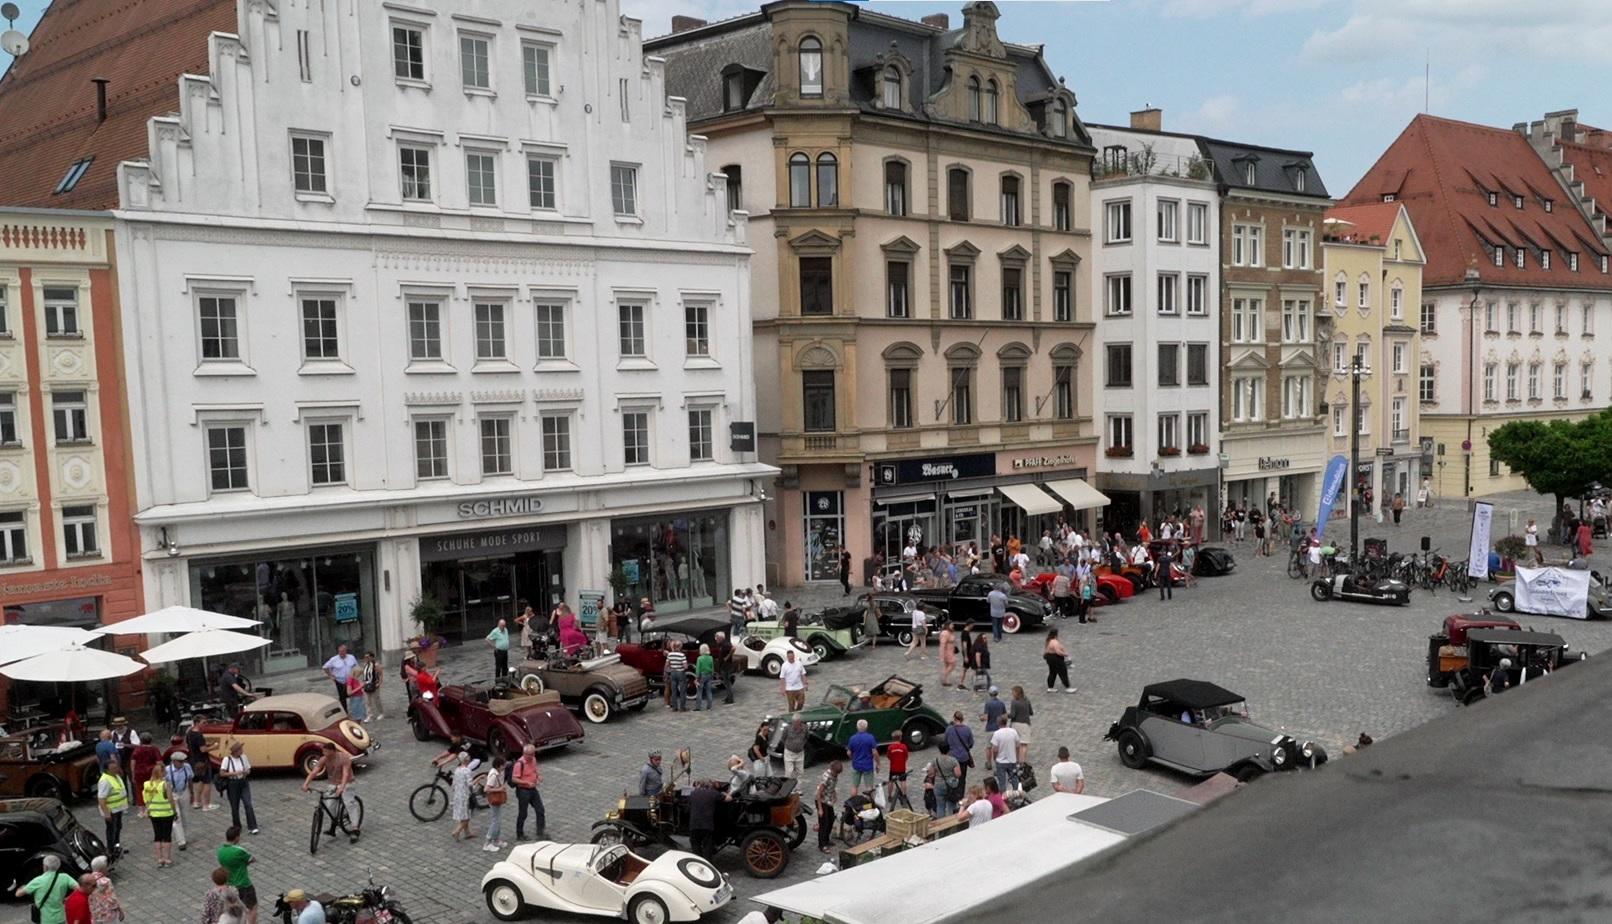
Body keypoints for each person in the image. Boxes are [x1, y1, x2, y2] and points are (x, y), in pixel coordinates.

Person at [301, 743, 359, 843]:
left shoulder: (344, 758)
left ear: (333, 751)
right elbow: (315, 771)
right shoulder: (324, 759)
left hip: (347, 782)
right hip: (333, 783)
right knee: (329, 805)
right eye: (324, 751)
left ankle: (355, 829)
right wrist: (306, 784)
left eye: (326, 751)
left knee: (349, 803)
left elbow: (345, 773)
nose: (324, 753)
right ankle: (335, 821)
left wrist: (342, 787)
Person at [15, 853, 72, 924]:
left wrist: (22, 887)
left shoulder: (38, 880)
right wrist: (68, 898)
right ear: (58, 866)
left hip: (45, 920)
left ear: (45, 867)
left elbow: (18, 894)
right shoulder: (65, 877)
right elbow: (80, 888)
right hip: (60, 918)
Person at [217, 826, 257, 924]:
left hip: (230, 885)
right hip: (243, 884)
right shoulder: (239, 850)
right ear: (236, 837)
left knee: (236, 910)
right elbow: (252, 859)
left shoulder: (220, 851)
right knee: (252, 908)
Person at [217, 741, 259, 834]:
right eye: (240, 749)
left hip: (243, 782)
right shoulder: (227, 759)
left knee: (248, 803)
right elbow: (222, 773)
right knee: (234, 806)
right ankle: (237, 826)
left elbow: (248, 769)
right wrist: (235, 773)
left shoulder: (244, 757)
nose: (242, 751)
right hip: (233, 783)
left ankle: (252, 826)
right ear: (235, 751)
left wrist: (246, 772)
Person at [688, 780, 730, 859]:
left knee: (695, 845)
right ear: (710, 786)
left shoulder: (693, 793)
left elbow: (688, 805)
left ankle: (697, 860)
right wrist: (724, 793)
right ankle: (707, 862)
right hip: (707, 825)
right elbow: (729, 799)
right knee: (707, 845)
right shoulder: (713, 793)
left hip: (694, 824)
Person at [512, 743, 545, 840]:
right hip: (523, 791)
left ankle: (540, 832)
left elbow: (535, 770)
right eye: (530, 755)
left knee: (540, 810)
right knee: (523, 813)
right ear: (524, 753)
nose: (532, 756)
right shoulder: (519, 764)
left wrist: (539, 775)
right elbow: (514, 779)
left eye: (533, 754)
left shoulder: (533, 759)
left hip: (533, 789)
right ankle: (520, 834)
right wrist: (526, 783)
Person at [97, 759, 127, 859]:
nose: (116, 769)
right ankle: (111, 850)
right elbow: (101, 799)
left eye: (116, 767)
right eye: (113, 768)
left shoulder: (115, 776)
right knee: (111, 830)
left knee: (118, 828)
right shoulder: (105, 781)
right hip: (111, 811)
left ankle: (117, 847)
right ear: (107, 770)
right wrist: (107, 813)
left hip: (118, 809)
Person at [164, 751, 192, 851]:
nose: (182, 763)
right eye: (180, 761)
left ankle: (183, 835)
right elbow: (164, 785)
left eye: (183, 761)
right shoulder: (167, 770)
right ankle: (181, 841)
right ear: (173, 761)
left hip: (184, 792)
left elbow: (190, 780)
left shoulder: (187, 767)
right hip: (173, 794)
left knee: (185, 816)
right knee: (176, 817)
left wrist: (192, 794)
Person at [928, 742, 963, 817]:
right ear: (949, 750)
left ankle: (941, 822)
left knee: (940, 806)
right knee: (951, 805)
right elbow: (958, 774)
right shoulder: (953, 760)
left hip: (938, 785)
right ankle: (951, 822)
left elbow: (931, 773)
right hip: (950, 785)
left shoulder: (935, 760)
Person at [845, 719, 879, 796]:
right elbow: (874, 752)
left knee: (854, 786)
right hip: (868, 765)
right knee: (869, 787)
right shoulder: (870, 738)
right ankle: (869, 803)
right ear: (867, 727)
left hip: (856, 765)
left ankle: (853, 802)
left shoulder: (852, 738)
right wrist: (878, 763)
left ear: (857, 727)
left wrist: (853, 759)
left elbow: (849, 752)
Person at [814, 761, 842, 852]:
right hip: (821, 801)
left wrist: (835, 795)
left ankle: (826, 839)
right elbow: (818, 793)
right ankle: (822, 845)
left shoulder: (835, 775)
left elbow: (832, 787)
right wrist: (820, 809)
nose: (837, 775)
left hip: (828, 800)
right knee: (823, 823)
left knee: (831, 820)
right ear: (832, 770)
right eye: (836, 773)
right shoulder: (826, 778)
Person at [483, 754, 509, 852]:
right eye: (503, 765)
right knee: (495, 821)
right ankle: (487, 843)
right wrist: (500, 789)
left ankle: (496, 840)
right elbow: (487, 789)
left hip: (497, 800)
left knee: (498, 820)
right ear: (499, 766)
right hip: (494, 800)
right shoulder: (494, 775)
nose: (505, 766)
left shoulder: (498, 772)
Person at [86, 856, 123, 924]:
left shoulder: (88, 881)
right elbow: (112, 899)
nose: (107, 869)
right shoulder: (106, 881)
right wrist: (120, 910)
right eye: (106, 867)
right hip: (109, 915)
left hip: (96, 915)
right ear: (102, 869)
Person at [128, 734, 161, 807]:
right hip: (152, 772)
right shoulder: (154, 749)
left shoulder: (137, 750)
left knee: (140, 790)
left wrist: (133, 774)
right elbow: (159, 762)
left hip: (139, 772)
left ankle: (142, 809)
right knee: (153, 788)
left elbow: (133, 763)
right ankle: (152, 805)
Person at [323, 644, 358, 710]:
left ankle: (355, 710)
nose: (341, 653)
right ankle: (345, 712)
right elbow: (325, 667)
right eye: (340, 651)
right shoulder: (334, 659)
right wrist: (330, 676)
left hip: (351, 681)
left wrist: (355, 677)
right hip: (340, 681)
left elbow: (356, 667)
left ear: (346, 651)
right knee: (342, 697)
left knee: (353, 695)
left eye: (343, 651)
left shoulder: (351, 657)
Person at [449, 752, 475, 842]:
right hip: (465, 796)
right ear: (466, 759)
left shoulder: (457, 770)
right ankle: (457, 831)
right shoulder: (467, 770)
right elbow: (470, 784)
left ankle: (467, 833)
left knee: (463, 815)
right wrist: (479, 779)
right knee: (467, 816)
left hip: (458, 795)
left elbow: (454, 783)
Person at [944, 712, 974, 785]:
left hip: (952, 757)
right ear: (962, 719)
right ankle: (961, 793)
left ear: (954, 718)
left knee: (952, 777)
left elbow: (945, 742)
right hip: (964, 757)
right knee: (962, 778)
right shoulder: (967, 729)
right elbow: (971, 743)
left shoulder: (949, 729)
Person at [1044, 628, 1075, 694]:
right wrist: (1066, 654)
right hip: (1056, 658)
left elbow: (1059, 647)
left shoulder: (1049, 640)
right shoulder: (1055, 642)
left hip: (1049, 658)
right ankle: (1068, 687)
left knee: (1052, 672)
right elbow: (1058, 652)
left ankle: (1050, 687)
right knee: (1063, 672)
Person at [1007, 686, 1033, 765]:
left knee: (1016, 744)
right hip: (1025, 724)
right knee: (1024, 744)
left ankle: (1016, 759)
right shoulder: (1027, 701)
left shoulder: (1014, 702)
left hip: (1015, 724)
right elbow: (1031, 712)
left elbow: (1012, 715)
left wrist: (1006, 715)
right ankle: (1023, 761)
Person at [886, 729, 910, 808]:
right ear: (900, 738)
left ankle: (889, 795)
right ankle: (904, 795)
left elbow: (888, 756)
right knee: (903, 781)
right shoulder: (903, 746)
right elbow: (906, 756)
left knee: (891, 781)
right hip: (901, 767)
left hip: (893, 768)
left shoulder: (890, 747)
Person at [712, 632, 737, 706]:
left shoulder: (726, 644)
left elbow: (733, 648)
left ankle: (730, 699)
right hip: (724, 665)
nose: (716, 639)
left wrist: (727, 656)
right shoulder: (723, 644)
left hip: (726, 666)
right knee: (726, 683)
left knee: (727, 683)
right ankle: (728, 697)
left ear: (721, 638)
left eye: (717, 638)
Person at [781, 716, 808, 782]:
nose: (797, 725)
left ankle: (798, 789)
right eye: (796, 723)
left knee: (800, 772)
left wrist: (801, 744)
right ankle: (788, 789)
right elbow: (783, 738)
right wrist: (789, 745)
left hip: (800, 753)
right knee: (789, 772)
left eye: (799, 723)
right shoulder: (787, 729)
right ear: (793, 722)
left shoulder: (805, 728)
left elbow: (806, 737)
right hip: (789, 753)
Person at [359, 651, 382, 722]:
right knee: (367, 701)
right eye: (365, 657)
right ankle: (369, 715)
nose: (366, 658)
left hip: (374, 684)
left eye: (368, 657)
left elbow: (380, 674)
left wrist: (379, 683)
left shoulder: (376, 665)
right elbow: (364, 674)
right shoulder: (365, 665)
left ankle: (381, 712)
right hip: (366, 684)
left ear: (372, 657)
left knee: (376, 700)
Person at [693, 643, 716, 712]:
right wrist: (712, 675)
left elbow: (698, 669)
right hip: (709, 675)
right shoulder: (710, 658)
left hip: (702, 675)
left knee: (699, 691)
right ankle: (709, 707)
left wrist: (696, 678)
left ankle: (698, 707)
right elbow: (712, 667)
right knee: (709, 691)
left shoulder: (699, 658)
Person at [938, 622, 958, 688]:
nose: (953, 625)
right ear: (948, 625)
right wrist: (942, 656)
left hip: (951, 651)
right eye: (951, 624)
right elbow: (942, 645)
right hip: (947, 652)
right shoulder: (945, 633)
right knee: (953, 664)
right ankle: (944, 678)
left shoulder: (950, 632)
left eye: (953, 624)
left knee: (947, 666)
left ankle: (946, 680)